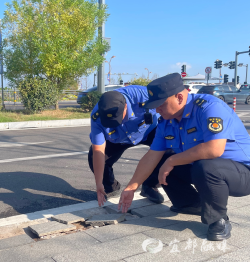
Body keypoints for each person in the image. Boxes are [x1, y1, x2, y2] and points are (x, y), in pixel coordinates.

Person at [118, 73, 250, 241]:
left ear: (179, 97)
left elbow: (213, 150)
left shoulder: (209, 107)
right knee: (162, 162)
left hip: (242, 173)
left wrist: (172, 161)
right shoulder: (166, 121)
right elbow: (152, 155)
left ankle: (218, 220)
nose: (156, 110)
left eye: (160, 105)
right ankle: (190, 204)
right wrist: (131, 187)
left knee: (204, 166)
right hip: (206, 169)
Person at [89, 85, 164, 207]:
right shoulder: (97, 116)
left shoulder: (144, 96)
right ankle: (110, 187)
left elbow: (166, 110)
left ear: (125, 107)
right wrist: (98, 183)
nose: (113, 124)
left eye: (117, 120)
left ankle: (150, 186)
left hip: (148, 131)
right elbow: (98, 150)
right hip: (118, 138)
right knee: (94, 157)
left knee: (170, 150)